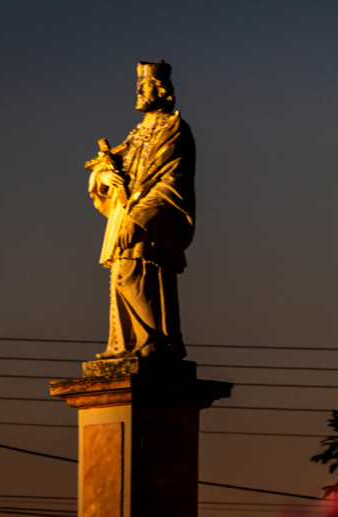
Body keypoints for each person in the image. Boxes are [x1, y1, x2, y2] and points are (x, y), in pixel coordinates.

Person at [86, 60, 195, 359]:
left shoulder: (174, 130)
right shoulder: (135, 134)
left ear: (161, 91)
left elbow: (173, 180)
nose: (138, 93)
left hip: (152, 221)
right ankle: (127, 344)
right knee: (122, 277)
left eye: (143, 87)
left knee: (136, 275)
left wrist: (141, 216)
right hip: (125, 214)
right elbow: (106, 169)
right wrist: (104, 176)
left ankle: (153, 341)